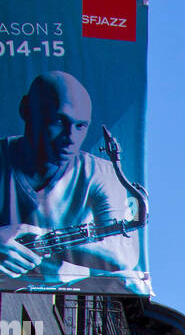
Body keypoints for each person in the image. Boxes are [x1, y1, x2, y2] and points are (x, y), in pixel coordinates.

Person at [0, 71, 141, 288]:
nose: (71, 138)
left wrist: (43, 239)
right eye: (59, 121)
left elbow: (124, 253)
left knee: (132, 282)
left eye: (80, 126)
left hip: (62, 296)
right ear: (26, 110)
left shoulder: (102, 173)